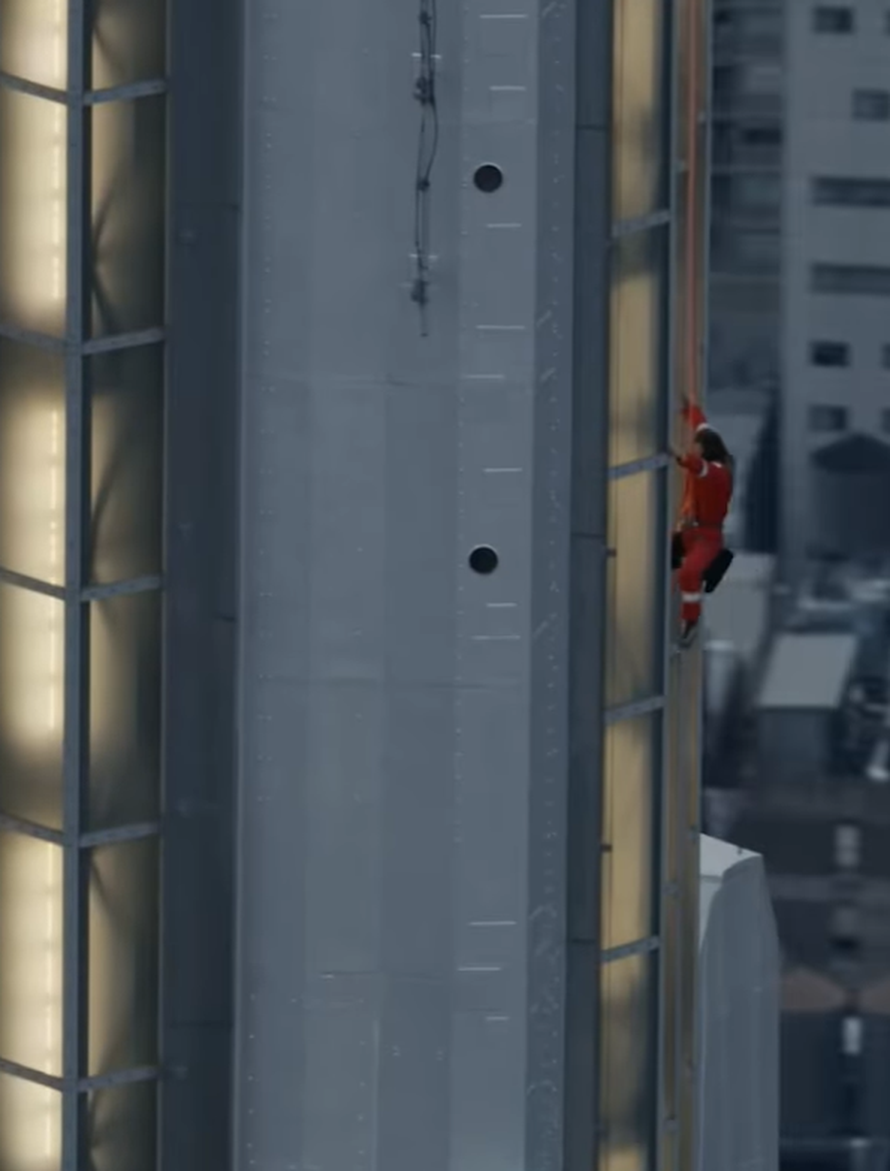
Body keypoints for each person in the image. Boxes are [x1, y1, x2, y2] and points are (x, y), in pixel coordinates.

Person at [671, 397, 734, 647]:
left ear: (705, 449)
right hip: (693, 532)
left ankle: (691, 621)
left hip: (708, 536)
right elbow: (701, 425)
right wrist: (689, 409)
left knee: (689, 573)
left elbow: (697, 466)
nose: (692, 447)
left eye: (695, 446)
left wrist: (675, 452)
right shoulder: (711, 463)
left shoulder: (717, 473)